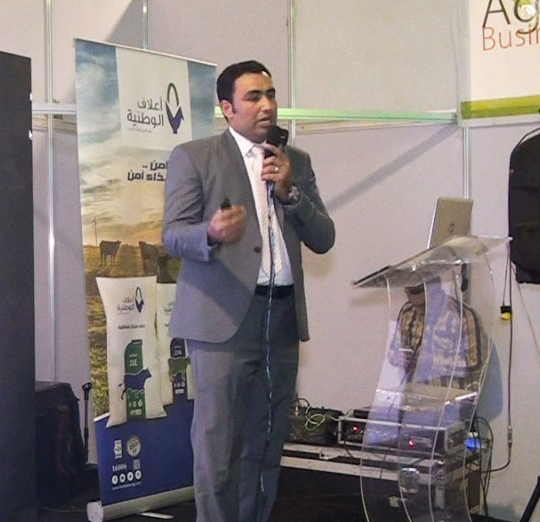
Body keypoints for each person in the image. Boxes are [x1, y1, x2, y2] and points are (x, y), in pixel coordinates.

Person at [162, 60, 335, 522]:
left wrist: (290, 193)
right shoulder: (195, 157)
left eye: (271, 94)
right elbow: (172, 235)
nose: (267, 105)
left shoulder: (295, 163)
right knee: (218, 447)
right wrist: (211, 232)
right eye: (253, 97)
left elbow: (324, 238)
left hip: (281, 320)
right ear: (227, 108)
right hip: (223, 321)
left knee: (266, 443)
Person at [388, 275, 484, 392]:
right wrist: (398, 357)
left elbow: (474, 364)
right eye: (414, 305)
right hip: (414, 394)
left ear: (437, 291)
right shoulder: (407, 311)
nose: (419, 311)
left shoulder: (463, 316)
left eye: (424, 305)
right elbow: (392, 351)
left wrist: (432, 362)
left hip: (450, 397)